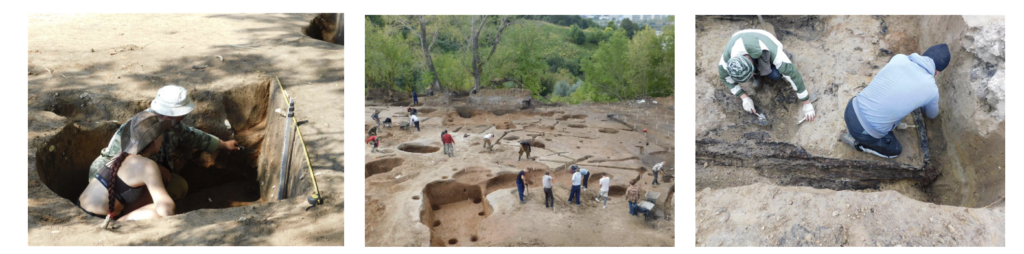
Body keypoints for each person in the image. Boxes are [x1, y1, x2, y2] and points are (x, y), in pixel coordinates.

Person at [88, 85, 241, 201]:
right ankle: (133, 213)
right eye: (182, 114)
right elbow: (122, 163)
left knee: (178, 185)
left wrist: (223, 145)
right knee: (175, 189)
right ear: (172, 116)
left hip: (137, 174)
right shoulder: (140, 127)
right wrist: (158, 169)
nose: (184, 117)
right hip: (108, 179)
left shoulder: (170, 124)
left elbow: (191, 136)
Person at [841, 44, 950, 158]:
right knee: (895, 151)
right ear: (937, 72)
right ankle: (861, 145)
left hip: (851, 107)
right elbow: (932, 114)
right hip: (864, 132)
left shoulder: (900, 58)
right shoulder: (931, 89)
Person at [79, 111, 176, 227]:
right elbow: (166, 210)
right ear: (155, 140)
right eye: (161, 134)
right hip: (97, 222)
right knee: (156, 211)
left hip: (81, 212)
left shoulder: (120, 156)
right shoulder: (147, 165)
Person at [719, 29, 815, 122]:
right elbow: (725, 78)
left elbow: (793, 74)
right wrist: (744, 97)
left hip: (763, 40)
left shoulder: (771, 50)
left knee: (775, 75)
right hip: (739, 38)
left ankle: (776, 63)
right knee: (757, 82)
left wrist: (806, 102)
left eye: (751, 75)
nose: (750, 78)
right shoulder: (725, 63)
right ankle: (758, 74)